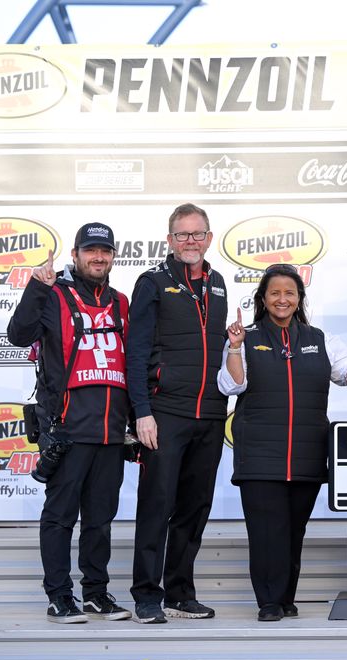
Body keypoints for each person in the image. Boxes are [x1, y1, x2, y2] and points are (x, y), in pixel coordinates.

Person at [218, 263, 347, 622]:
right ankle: (268, 602)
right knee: (266, 533)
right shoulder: (247, 337)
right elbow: (232, 385)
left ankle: (286, 597)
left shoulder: (319, 339)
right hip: (259, 456)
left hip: (306, 454)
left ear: (299, 298)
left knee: (292, 531)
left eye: (289, 292)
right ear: (263, 298)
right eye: (275, 293)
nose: (282, 299)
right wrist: (236, 348)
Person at [7, 222, 132, 624]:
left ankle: (95, 594)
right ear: (76, 254)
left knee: (100, 519)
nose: (99, 257)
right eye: (91, 250)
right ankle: (59, 596)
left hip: (111, 431)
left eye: (105, 251)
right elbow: (18, 335)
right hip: (67, 428)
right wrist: (37, 287)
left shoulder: (122, 302)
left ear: (113, 256)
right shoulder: (53, 294)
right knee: (60, 516)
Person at [126, 204, 229, 624]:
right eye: (182, 235)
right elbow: (135, 353)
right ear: (170, 240)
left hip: (210, 415)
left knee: (194, 507)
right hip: (165, 413)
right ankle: (147, 594)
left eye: (197, 234)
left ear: (209, 237)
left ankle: (180, 592)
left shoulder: (218, 283)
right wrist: (142, 413)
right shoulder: (152, 282)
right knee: (156, 505)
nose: (191, 241)